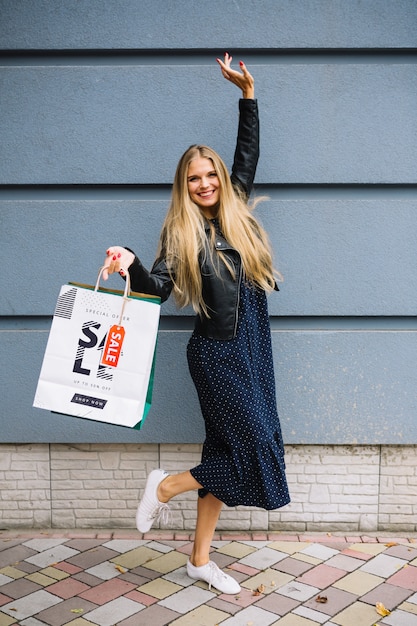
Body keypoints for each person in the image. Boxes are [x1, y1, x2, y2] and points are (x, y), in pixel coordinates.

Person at [103, 53, 290, 595]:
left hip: (254, 346)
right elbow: (153, 290)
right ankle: (164, 487)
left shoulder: (235, 211)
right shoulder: (182, 237)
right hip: (218, 353)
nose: (206, 184)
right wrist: (128, 261)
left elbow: (247, 154)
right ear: (183, 186)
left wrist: (248, 94)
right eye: (195, 178)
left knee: (227, 454)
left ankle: (199, 560)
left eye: (212, 175)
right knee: (253, 454)